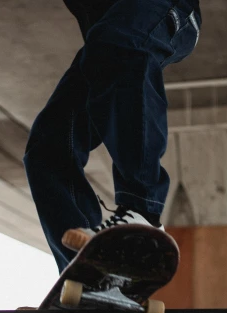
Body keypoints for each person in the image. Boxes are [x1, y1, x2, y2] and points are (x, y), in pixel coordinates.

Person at [24, 0, 202, 272]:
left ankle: (142, 213)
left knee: (122, 43)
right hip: (105, 45)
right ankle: (86, 272)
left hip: (161, 9)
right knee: (48, 146)